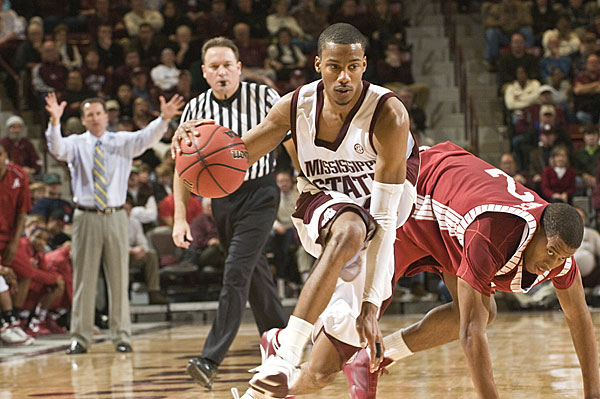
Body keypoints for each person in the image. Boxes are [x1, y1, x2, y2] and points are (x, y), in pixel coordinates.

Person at [173, 24, 420, 397]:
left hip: (383, 214)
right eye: (334, 66)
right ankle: (286, 355)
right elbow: (237, 157)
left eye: (353, 66)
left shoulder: (388, 114)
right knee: (350, 228)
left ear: (364, 65)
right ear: (318, 64)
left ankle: (274, 357)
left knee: (326, 363)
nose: (343, 77)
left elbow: (384, 219)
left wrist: (371, 304)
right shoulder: (294, 106)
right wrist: (195, 146)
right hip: (323, 202)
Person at [339, 142, 599, 399]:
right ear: (538, 230)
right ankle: (298, 371)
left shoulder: (560, 252)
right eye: (551, 252)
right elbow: (471, 334)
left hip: (453, 198)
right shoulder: (490, 233)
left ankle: (372, 359)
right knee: (337, 343)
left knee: (482, 313)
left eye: (562, 257)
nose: (552, 263)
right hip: (416, 188)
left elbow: (579, 318)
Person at [171, 36, 287, 390]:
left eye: (227, 65)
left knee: (236, 270)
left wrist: (306, 185)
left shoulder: (265, 97)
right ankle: (285, 345)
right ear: (204, 73)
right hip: (221, 199)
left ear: (239, 68)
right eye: (214, 67)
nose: (222, 72)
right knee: (254, 276)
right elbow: (182, 167)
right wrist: (179, 216)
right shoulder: (194, 110)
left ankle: (210, 359)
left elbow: (293, 136)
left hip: (261, 192)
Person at [44, 91, 184, 354]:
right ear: (83, 120)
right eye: (89, 115)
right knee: (84, 278)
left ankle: (121, 336)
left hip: (117, 215)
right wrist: (54, 122)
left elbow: (146, 138)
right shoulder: (75, 143)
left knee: (119, 277)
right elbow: (56, 148)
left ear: (106, 117)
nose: (95, 118)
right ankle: (80, 337)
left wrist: (163, 121)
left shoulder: (121, 141)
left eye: (98, 113)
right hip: (85, 215)